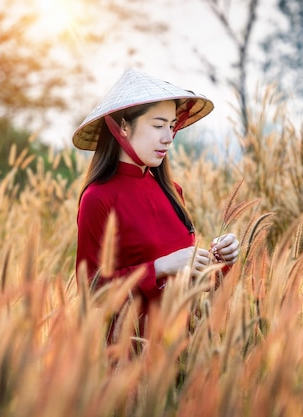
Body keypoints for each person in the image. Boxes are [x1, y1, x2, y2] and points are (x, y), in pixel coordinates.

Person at [72, 68, 240, 339]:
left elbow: (194, 284)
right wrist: (161, 267)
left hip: (184, 350)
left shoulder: (172, 191)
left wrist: (221, 261)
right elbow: (92, 292)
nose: (169, 137)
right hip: (132, 356)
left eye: (172, 126)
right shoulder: (98, 198)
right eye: (158, 125)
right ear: (124, 126)